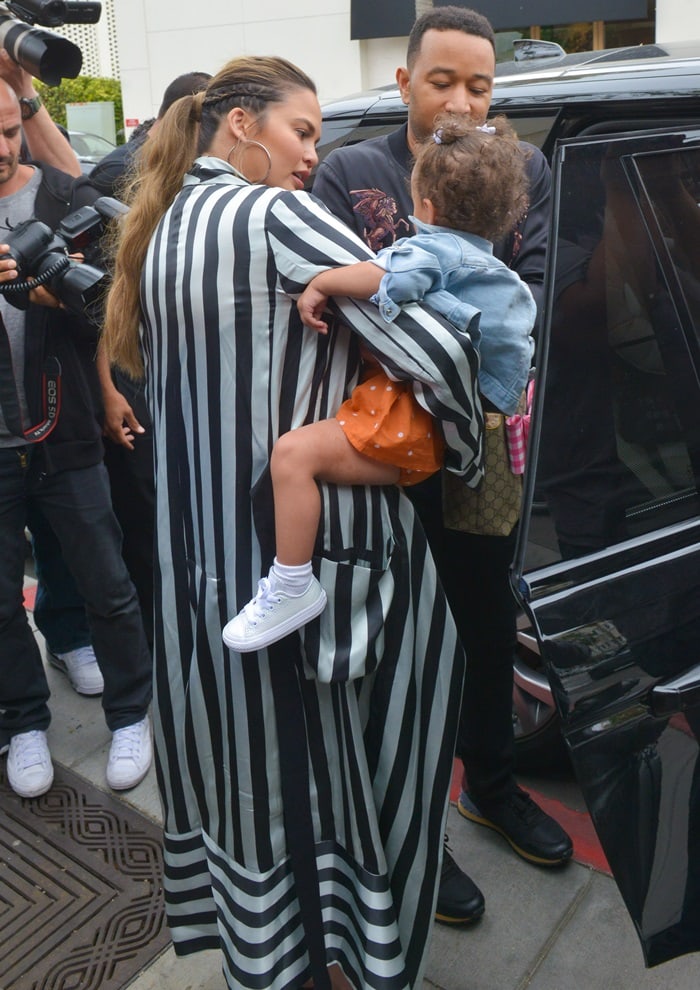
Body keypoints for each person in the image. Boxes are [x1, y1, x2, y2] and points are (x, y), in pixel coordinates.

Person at [103, 55, 484, 990]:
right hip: (300, 559)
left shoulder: (161, 226)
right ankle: (330, 963)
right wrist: (467, 437)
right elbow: (436, 333)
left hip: (197, 559)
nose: (314, 153)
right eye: (302, 130)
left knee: (241, 772)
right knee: (325, 776)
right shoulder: (269, 214)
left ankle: (260, 956)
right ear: (240, 125)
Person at [312, 4, 573, 927]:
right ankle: (416, 831)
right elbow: (345, 308)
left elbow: (533, 285)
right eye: (442, 80)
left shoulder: (525, 167)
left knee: (486, 624)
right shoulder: (353, 171)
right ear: (405, 82)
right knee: (396, 649)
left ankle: (490, 787)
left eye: (479, 84)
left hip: (484, 453)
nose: (462, 100)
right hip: (386, 449)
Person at [224, 113, 535, 653]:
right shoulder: (491, 266)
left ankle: (291, 583)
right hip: (470, 423)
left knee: (292, 456)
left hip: (416, 422)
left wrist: (320, 281)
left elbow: (388, 276)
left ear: (428, 209)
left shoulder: (436, 250)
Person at [0, 79, 153, 798]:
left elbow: (110, 304)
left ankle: (131, 714)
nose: (3, 150)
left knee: (108, 579)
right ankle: (24, 721)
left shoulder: (64, 197)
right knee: (1, 600)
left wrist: (109, 390)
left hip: (65, 427)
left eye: (10, 131)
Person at [92, 70, 212, 653]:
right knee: (147, 521)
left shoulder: (202, 181)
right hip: (133, 374)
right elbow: (93, 303)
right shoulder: (120, 177)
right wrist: (108, 391)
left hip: (182, 375)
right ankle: (157, 647)